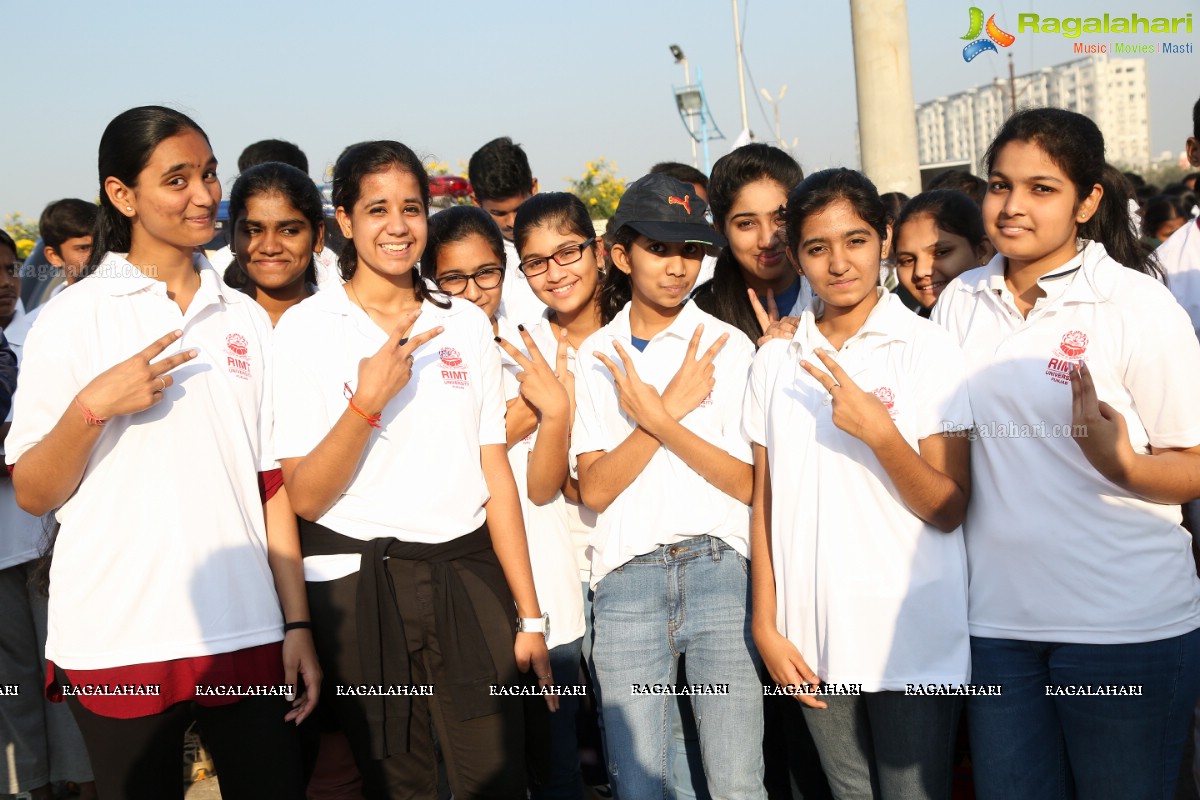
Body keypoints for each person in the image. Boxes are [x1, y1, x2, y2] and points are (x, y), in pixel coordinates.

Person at [5, 105, 318, 800]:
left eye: (208, 173)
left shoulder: (242, 317)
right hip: (119, 635)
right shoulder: (71, 319)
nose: (205, 194)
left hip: (246, 626)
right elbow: (33, 490)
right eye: (177, 179)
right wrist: (93, 407)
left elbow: (270, 485)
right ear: (123, 195)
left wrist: (295, 622)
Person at [272, 139, 553, 800]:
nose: (397, 226)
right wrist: (368, 402)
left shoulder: (463, 327)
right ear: (342, 220)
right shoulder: (307, 330)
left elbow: (495, 480)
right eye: (376, 209)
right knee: (401, 786)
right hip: (362, 593)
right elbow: (305, 497)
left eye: (411, 208)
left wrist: (531, 616)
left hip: (468, 579)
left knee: (497, 778)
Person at [933, 107, 1200, 800]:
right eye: (999, 184)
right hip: (995, 625)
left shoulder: (1136, 306)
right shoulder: (959, 301)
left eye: (1041, 188)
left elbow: (1192, 458)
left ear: (1088, 201)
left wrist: (1125, 467)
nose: (1013, 205)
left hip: (1122, 625)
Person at [747, 168, 971, 800]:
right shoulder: (774, 361)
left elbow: (950, 507)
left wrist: (881, 434)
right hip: (809, 636)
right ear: (796, 257)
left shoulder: (928, 349)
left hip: (911, 634)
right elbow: (764, 500)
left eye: (856, 241)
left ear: (884, 239)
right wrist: (767, 623)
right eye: (817, 248)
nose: (839, 263)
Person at [572, 172, 766, 799]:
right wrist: (668, 413)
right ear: (620, 255)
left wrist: (658, 415)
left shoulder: (728, 347)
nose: (678, 265)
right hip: (625, 581)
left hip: (721, 574)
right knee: (641, 787)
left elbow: (746, 483)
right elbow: (595, 490)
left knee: (738, 784)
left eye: (691, 249)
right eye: (660, 247)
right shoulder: (596, 355)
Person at [691, 144, 806, 346]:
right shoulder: (698, 322)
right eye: (746, 224)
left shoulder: (833, 296)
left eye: (780, 218)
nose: (766, 240)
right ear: (719, 228)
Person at [225, 161, 326, 325]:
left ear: (318, 237)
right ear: (232, 236)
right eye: (253, 231)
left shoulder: (349, 325)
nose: (270, 248)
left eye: (289, 231)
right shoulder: (204, 321)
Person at [468, 136, 545, 327]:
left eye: (519, 208)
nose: (512, 222)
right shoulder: (472, 256)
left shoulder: (563, 234)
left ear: (534, 188)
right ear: (476, 202)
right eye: (499, 213)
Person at [892, 189, 993, 316]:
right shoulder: (902, 332)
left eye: (940, 253)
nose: (920, 272)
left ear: (983, 251)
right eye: (907, 261)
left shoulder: (1014, 321)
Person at [39, 198, 97, 287]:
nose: (99, 254)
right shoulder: (58, 301)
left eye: (105, 245)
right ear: (54, 256)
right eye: (83, 248)